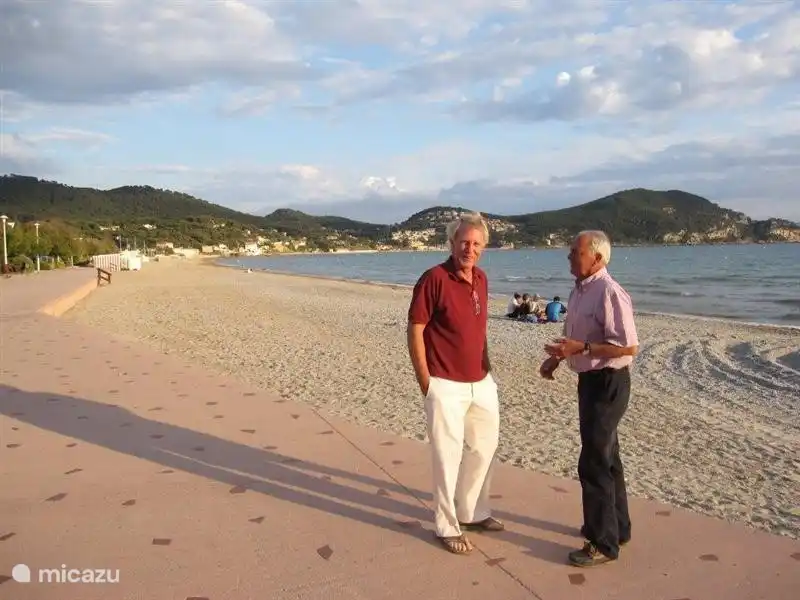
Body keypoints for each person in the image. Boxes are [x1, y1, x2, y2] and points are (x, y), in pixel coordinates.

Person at [539, 230, 639, 568]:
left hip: (609, 382)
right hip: (590, 380)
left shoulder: (610, 291)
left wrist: (580, 349)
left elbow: (628, 346)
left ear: (597, 258)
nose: (569, 257)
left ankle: (602, 543)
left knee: (594, 461)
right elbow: (576, 336)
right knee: (608, 457)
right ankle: (617, 528)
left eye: (575, 252)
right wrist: (558, 357)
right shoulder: (581, 290)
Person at [407, 211, 503, 555]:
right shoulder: (433, 278)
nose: (470, 248)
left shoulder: (482, 279)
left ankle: (473, 512)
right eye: (464, 242)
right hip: (444, 383)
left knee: (484, 449)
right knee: (447, 455)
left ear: (483, 248)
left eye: (477, 244)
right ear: (451, 243)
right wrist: (425, 381)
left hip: (481, 381)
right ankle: (447, 525)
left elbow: (479, 329)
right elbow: (416, 327)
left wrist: (488, 369)